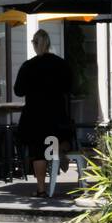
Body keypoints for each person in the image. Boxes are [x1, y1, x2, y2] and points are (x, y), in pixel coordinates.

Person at [14, 29, 72, 197]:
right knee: (61, 139)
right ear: (49, 43)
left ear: (34, 44)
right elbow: (69, 87)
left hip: (34, 116)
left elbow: (18, 91)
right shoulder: (61, 64)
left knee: (37, 152)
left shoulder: (28, 66)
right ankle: (59, 151)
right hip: (57, 115)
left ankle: (41, 189)